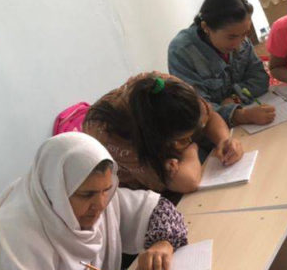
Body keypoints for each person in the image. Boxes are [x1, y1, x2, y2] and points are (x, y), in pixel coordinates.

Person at [0, 132, 188, 270]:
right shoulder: (7, 242)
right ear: (54, 191)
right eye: (86, 195)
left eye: (106, 190)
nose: (100, 205)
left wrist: (163, 243)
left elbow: (159, 209)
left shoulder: (99, 199)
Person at [82, 72, 243, 193]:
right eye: (184, 138)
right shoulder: (109, 132)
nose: (189, 140)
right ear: (160, 138)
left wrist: (223, 140)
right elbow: (187, 182)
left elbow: (210, 117)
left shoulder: (163, 88)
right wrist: (190, 149)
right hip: (138, 194)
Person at [167, 0, 273, 128]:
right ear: (206, 27)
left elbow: (260, 78)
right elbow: (197, 109)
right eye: (231, 37)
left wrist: (235, 97)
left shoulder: (239, 36)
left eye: (245, 34)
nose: (238, 44)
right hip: (210, 139)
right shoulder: (182, 52)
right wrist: (239, 115)